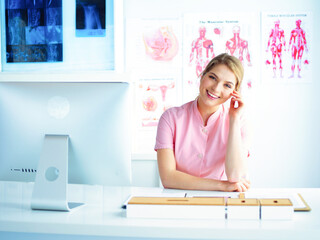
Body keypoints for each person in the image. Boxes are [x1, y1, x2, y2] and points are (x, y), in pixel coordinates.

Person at [155, 53, 251, 192]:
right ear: (202, 76)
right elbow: (168, 178)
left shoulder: (240, 122)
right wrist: (221, 185)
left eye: (227, 85)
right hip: (180, 201)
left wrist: (234, 119)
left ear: (234, 92)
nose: (216, 88)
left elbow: (235, 176)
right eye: (212, 77)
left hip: (221, 202)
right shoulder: (170, 118)